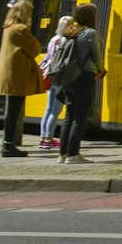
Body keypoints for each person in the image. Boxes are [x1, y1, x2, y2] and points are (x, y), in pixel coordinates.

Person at [0, 0, 43, 158]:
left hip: (10, 74)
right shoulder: (21, 29)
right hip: (17, 74)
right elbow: (35, 48)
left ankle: (7, 144)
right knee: (13, 111)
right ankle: (8, 145)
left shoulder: (8, 28)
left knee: (12, 110)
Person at [57, 3, 104, 165]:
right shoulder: (90, 33)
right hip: (84, 76)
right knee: (81, 116)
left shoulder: (69, 32)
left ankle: (62, 153)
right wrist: (102, 70)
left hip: (69, 78)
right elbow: (97, 56)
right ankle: (73, 154)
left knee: (69, 115)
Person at [37, 15, 75, 150]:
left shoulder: (54, 39)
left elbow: (48, 57)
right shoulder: (66, 41)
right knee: (56, 109)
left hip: (50, 75)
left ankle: (43, 138)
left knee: (48, 108)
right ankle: (49, 138)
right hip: (60, 77)